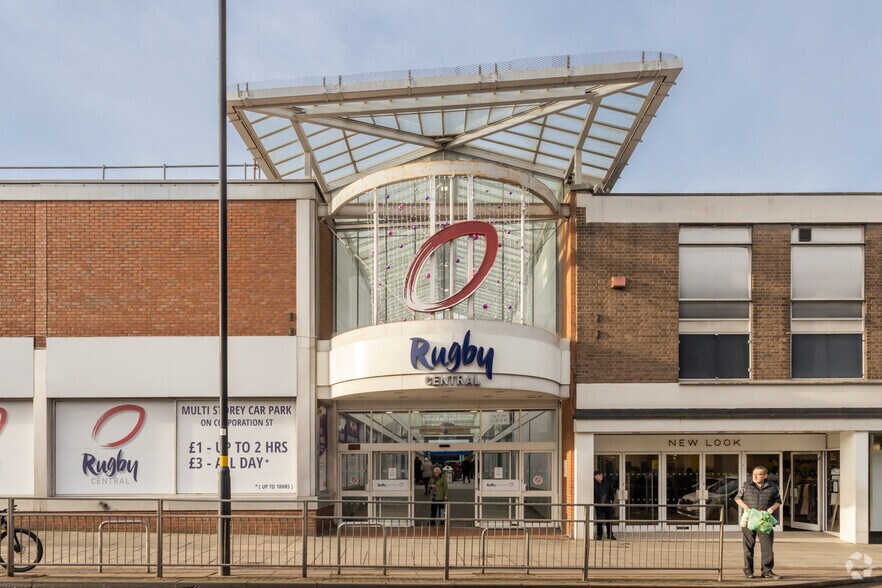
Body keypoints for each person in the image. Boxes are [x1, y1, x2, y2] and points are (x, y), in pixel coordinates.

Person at [734, 465, 782, 579]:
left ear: (765, 475)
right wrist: (746, 508)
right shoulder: (746, 485)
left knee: (767, 547)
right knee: (748, 547)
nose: (755, 476)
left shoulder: (773, 487)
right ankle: (748, 571)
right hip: (749, 519)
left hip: (764, 520)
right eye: (753, 474)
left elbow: (778, 501)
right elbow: (737, 498)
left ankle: (767, 571)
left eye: (758, 474)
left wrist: (772, 508)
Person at [593, 470, 616, 540]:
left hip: (607, 504)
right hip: (599, 505)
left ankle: (610, 534)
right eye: (595, 477)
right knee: (599, 520)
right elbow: (593, 494)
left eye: (596, 477)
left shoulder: (607, 484)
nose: (596, 478)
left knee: (609, 520)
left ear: (600, 475)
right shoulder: (594, 485)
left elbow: (612, 492)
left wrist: (611, 500)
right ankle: (599, 535)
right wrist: (595, 502)